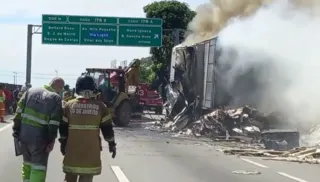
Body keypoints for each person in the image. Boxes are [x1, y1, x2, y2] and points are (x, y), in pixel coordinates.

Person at [59, 74, 116, 182]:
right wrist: (111, 144)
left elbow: (63, 129)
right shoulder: (100, 106)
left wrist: (62, 143)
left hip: (72, 152)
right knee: (86, 178)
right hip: (91, 154)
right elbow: (107, 129)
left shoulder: (68, 106)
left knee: (70, 178)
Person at [12, 77, 65, 182]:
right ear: (59, 86)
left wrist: (16, 130)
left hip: (24, 135)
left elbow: (18, 112)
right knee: (38, 168)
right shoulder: (55, 98)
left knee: (27, 164)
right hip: (41, 139)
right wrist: (51, 140)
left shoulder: (30, 91)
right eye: (61, 89)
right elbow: (54, 123)